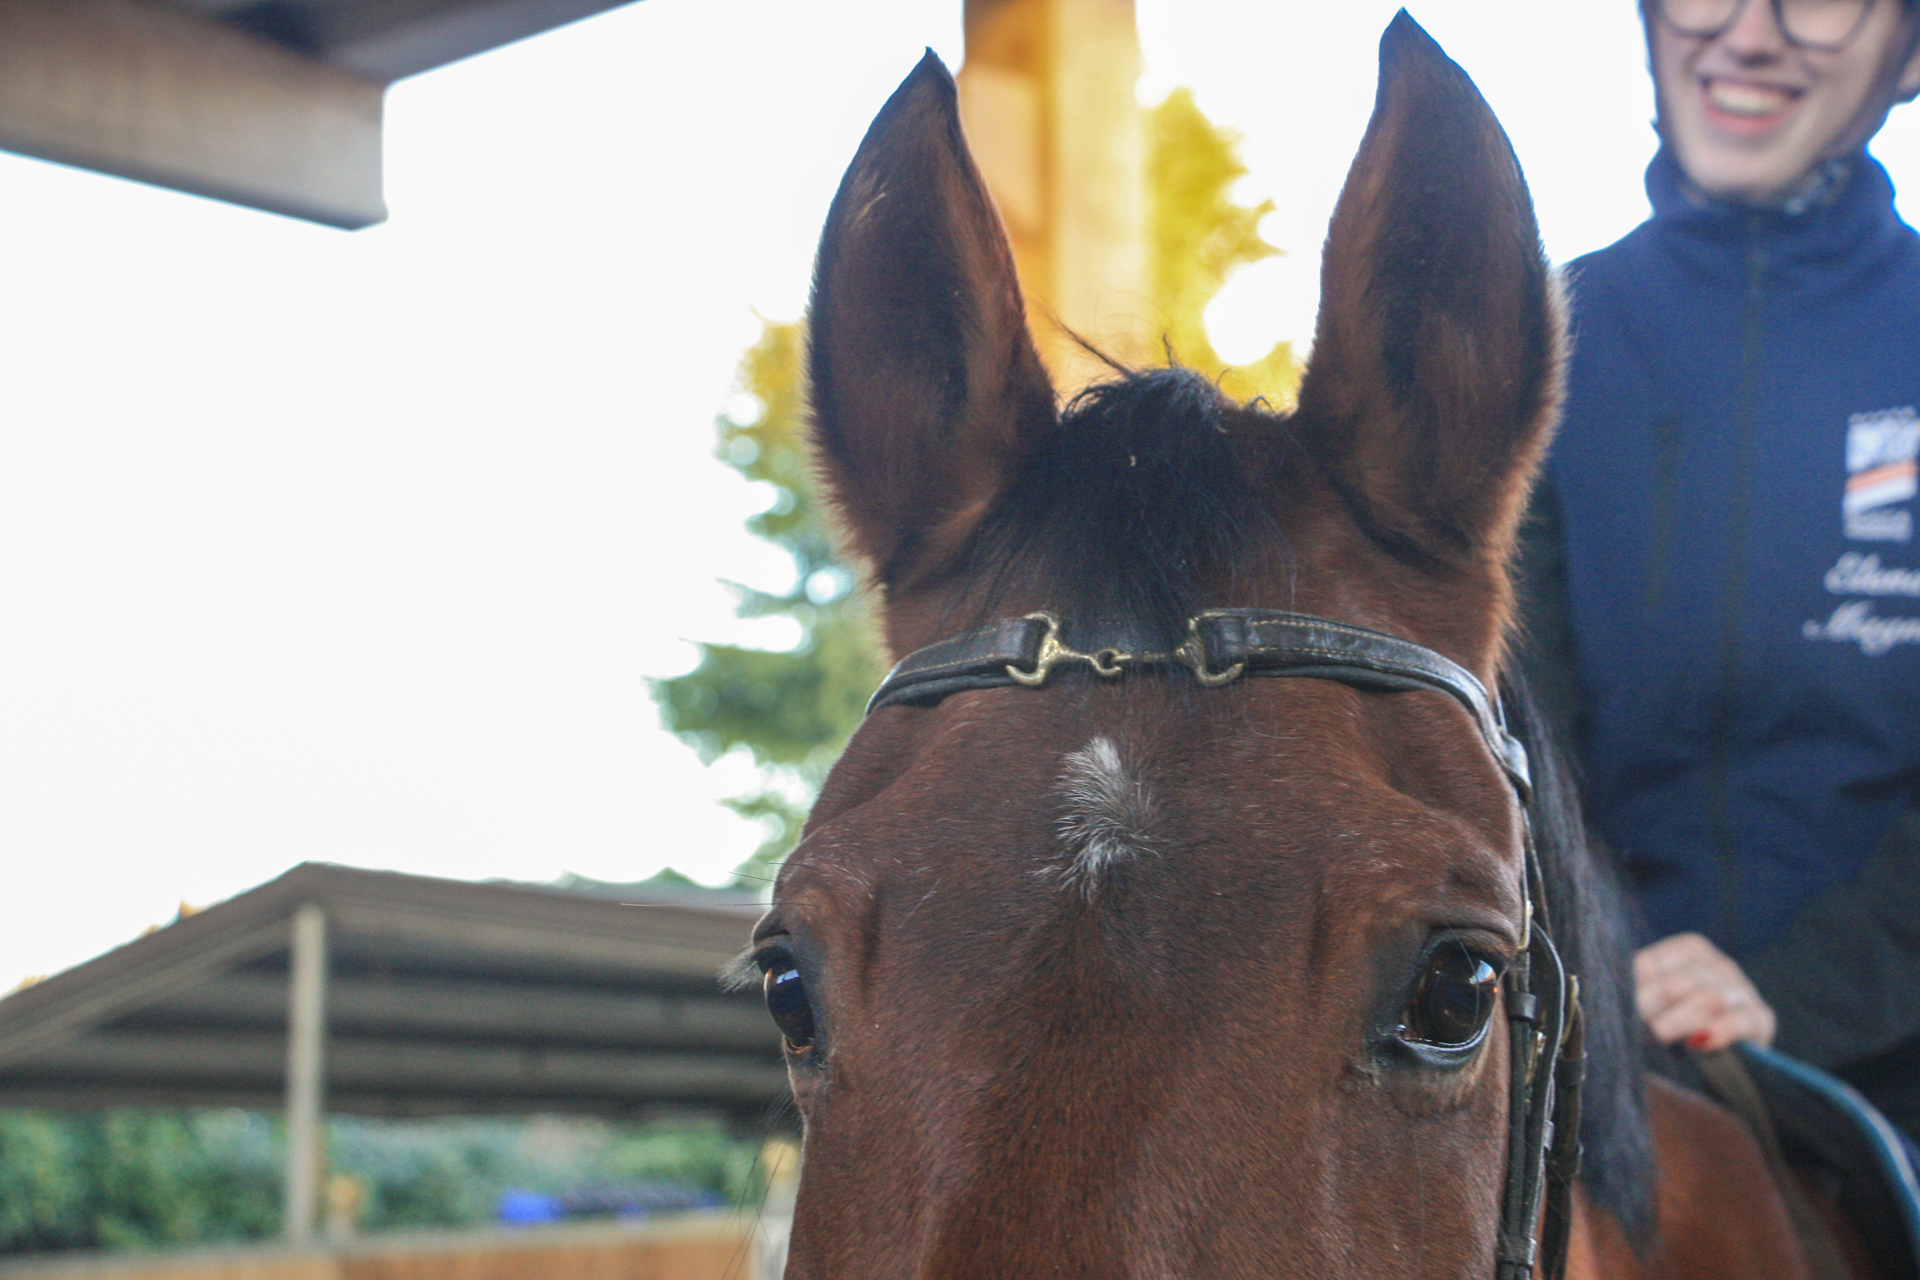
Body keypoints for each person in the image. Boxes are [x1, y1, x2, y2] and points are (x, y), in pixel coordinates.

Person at [1519, 0, 1920, 1140]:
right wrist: (1618, 968)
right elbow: (1505, 736)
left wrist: (1786, 996)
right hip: (1593, 1054)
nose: (1747, 35)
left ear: (1909, 53)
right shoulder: (1538, 346)